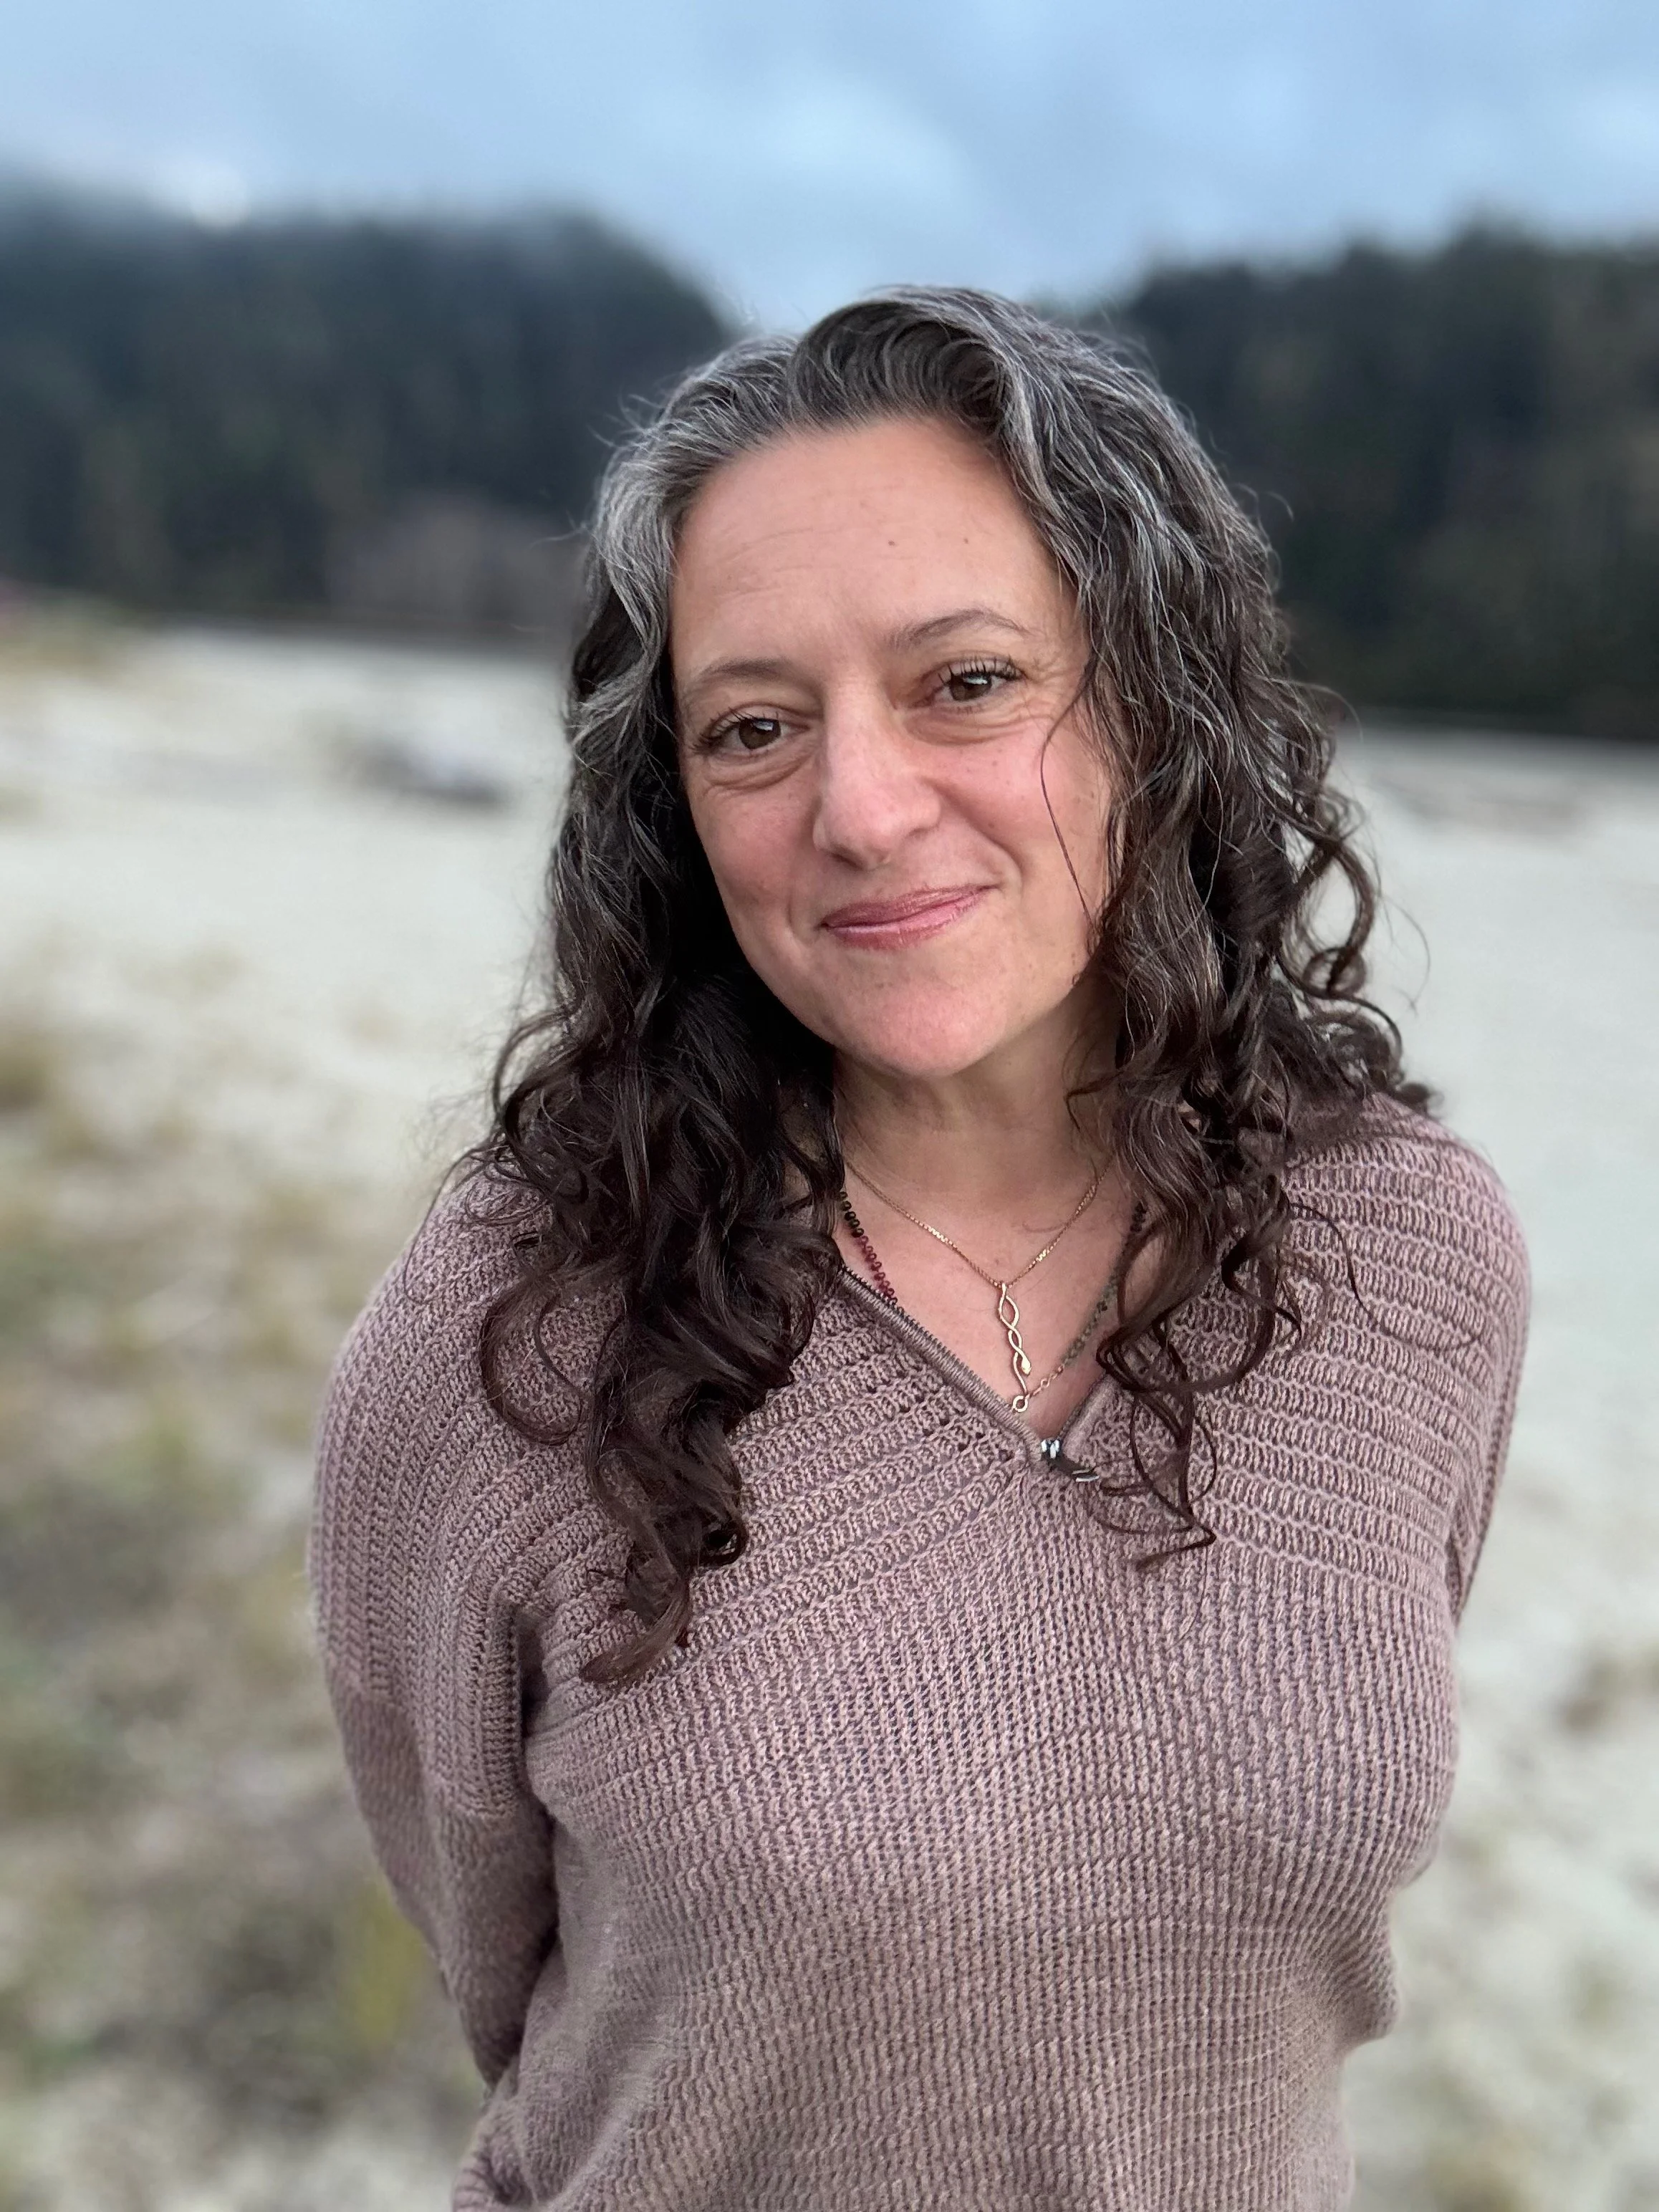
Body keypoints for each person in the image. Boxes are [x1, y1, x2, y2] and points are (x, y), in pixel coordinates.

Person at [309, 289, 1529, 2211]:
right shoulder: (514, 1328)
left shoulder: (1404, 1252)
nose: (861, 813)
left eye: (965, 682)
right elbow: (495, 1960)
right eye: (753, 728)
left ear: (1151, 701)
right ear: (673, 803)